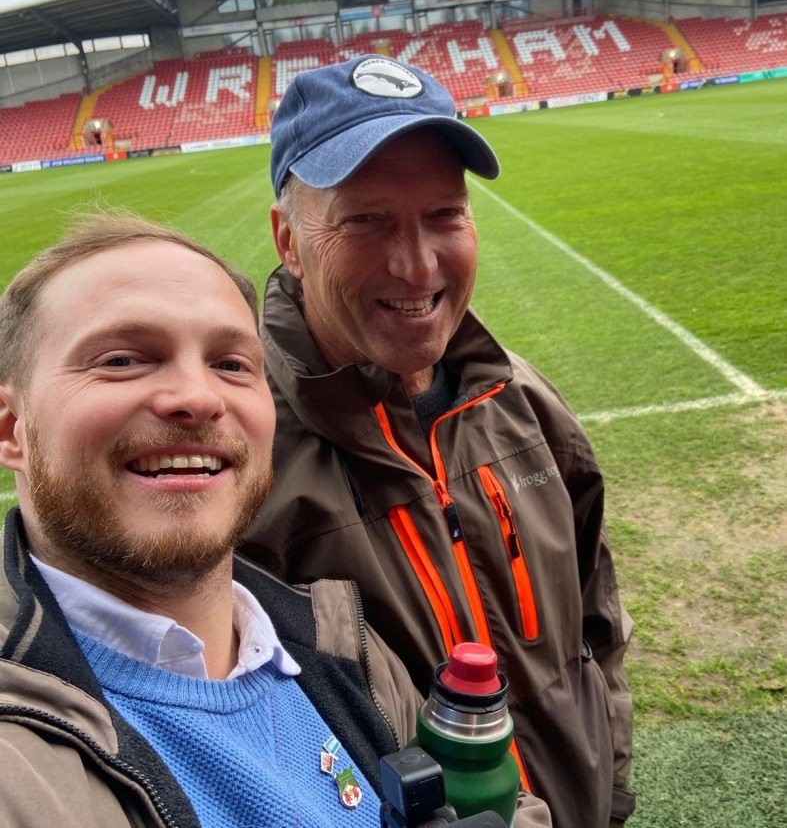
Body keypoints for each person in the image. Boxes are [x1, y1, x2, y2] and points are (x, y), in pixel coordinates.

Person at [0, 210, 552, 828]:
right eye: (123, 359)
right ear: (11, 429)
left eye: (232, 364)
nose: (199, 397)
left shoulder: (343, 642)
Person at [240, 55, 636, 828]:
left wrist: (609, 786)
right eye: (366, 219)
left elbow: (596, 625)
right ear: (289, 240)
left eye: (443, 216)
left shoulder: (522, 401)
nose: (416, 263)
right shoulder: (242, 458)